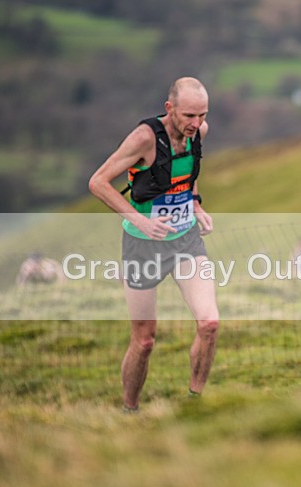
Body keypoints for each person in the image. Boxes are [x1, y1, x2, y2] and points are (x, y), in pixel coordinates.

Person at [88, 77, 219, 412]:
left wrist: (195, 205)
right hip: (142, 246)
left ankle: (194, 405)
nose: (197, 124)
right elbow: (98, 182)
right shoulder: (144, 138)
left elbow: (188, 175)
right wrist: (139, 220)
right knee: (144, 340)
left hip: (185, 240)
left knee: (209, 324)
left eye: (202, 115)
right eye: (189, 116)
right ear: (169, 108)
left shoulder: (198, 134)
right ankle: (129, 410)